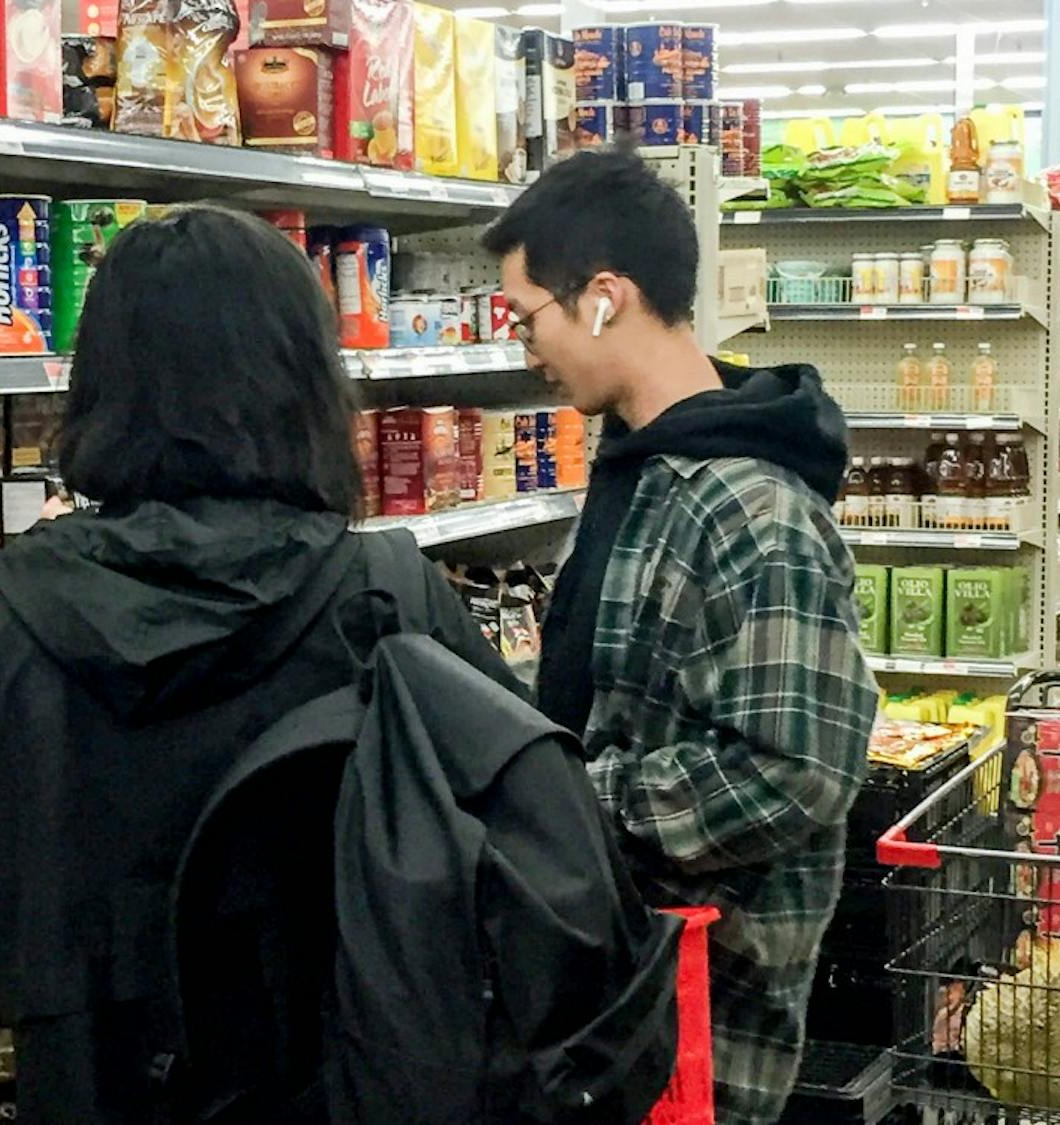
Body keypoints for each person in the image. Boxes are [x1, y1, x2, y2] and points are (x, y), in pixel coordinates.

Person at [0, 206, 524, 1123]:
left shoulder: (6, 608)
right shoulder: (387, 598)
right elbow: (514, 810)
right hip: (339, 1072)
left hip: (97, 1081)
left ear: (102, 382)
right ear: (305, 378)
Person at [482, 149, 880, 1125]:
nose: (523, 347)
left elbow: (793, 771)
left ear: (605, 298)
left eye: (527, 314)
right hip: (622, 991)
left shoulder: (749, 511)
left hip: (703, 1016)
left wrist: (566, 811)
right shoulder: (648, 475)